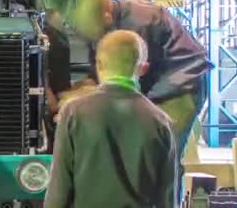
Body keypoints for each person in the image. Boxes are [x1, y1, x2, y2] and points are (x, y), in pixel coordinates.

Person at [61, 0, 212, 159]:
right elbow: (101, 66)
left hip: (180, 90)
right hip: (159, 87)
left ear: (107, 16)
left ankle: (170, 185)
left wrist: (91, 98)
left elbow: (134, 79)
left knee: (162, 156)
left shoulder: (141, 22)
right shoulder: (104, 27)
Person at [44, 30, 177, 208]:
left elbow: (58, 191)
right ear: (143, 68)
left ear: (98, 64)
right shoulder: (160, 122)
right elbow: (168, 199)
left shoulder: (74, 113)